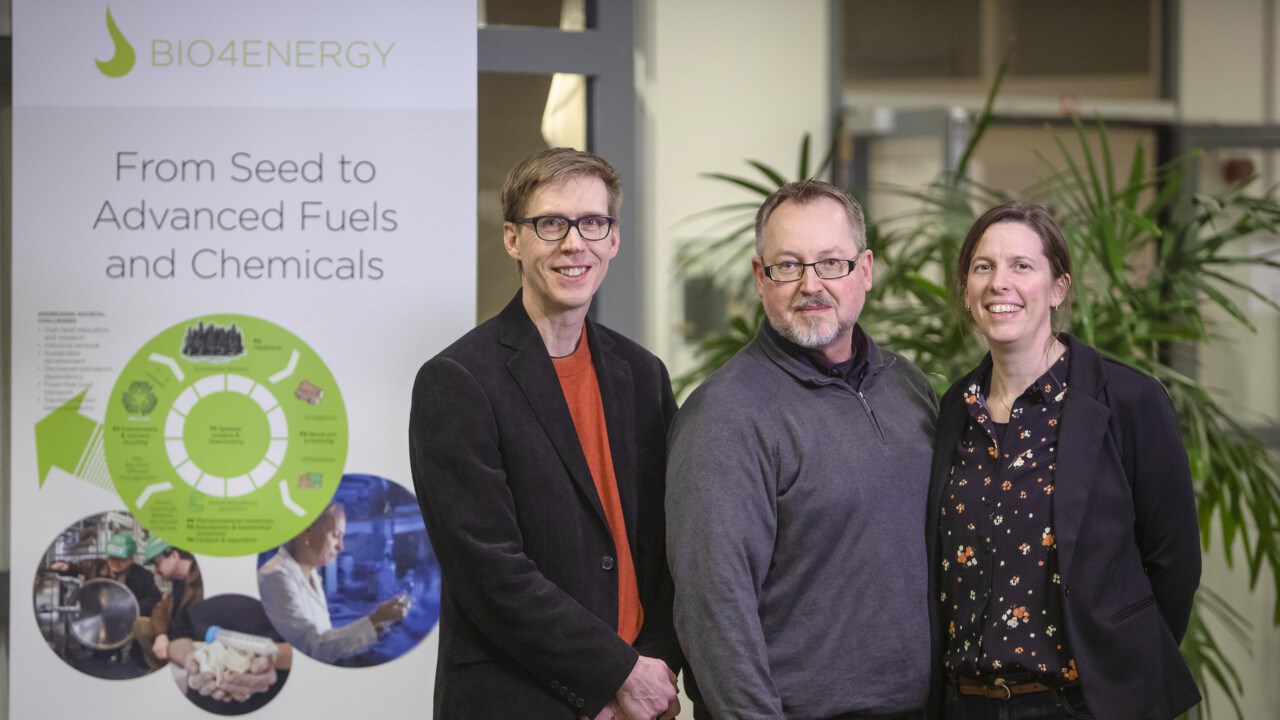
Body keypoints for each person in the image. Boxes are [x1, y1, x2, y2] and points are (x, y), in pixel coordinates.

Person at [409, 147, 682, 720]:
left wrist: (652, 665)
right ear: (513, 239)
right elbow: (488, 570)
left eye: (593, 223)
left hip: (639, 701)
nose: (573, 243)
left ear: (613, 239)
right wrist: (614, 674)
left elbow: (669, 539)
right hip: (519, 699)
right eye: (551, 223)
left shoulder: (642, 374)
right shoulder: (458, 381)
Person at [666, 179, 937, 719]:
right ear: (759, 277)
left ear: (865, 270)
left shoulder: (909, 388)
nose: (811, 284)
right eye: (788, 266)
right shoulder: (727, 415)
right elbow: (714, 609)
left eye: (831, 263)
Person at [926, 202, 1201, 719]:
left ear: (1057, 289)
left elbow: (1174, 563)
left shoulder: (1128, 401)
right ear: (966, 290)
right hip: (966, 704)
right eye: (983, 267)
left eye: (1021, 266)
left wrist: (1120, 673)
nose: (998, 283)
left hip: (1081, 705)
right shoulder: (953, 411)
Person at [257, 503, 409, 664]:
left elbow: (323, 636)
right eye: (335, 535)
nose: (341, 546)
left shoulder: (311, 574)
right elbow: (313, 647)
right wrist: (373, 619)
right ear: (307, 530)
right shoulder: (275, 576)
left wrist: (374, 628)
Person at [167, 594, 293, 716]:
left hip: (280, 701)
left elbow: (309, 644)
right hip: (202, 705)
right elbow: (176, 637)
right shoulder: (192, 582)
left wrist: (275, 657)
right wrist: (194, 659)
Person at [137, 537, 204, 668]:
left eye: (157, 563)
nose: (156, 570)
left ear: (174, 556)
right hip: (176, 639)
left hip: (196, 646)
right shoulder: (179, 584)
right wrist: (161, 635)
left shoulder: (201, 583)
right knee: (141, 625)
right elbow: (159, 610)